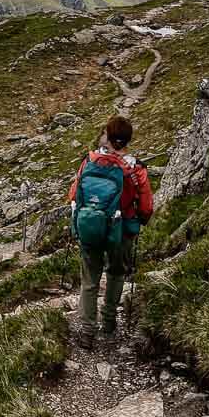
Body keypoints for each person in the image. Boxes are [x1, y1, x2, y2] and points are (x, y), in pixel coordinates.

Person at [68, 115, 153, 349]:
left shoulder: (90, 161)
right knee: (116, 273)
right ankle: (108, 323)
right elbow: (146, 207)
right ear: (127, 140)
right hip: (122, 230)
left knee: (90, 279)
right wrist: (140, 220)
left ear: (107, 135)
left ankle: (86, 331)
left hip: (91, 226)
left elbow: (74, 194)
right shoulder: (136, 169)